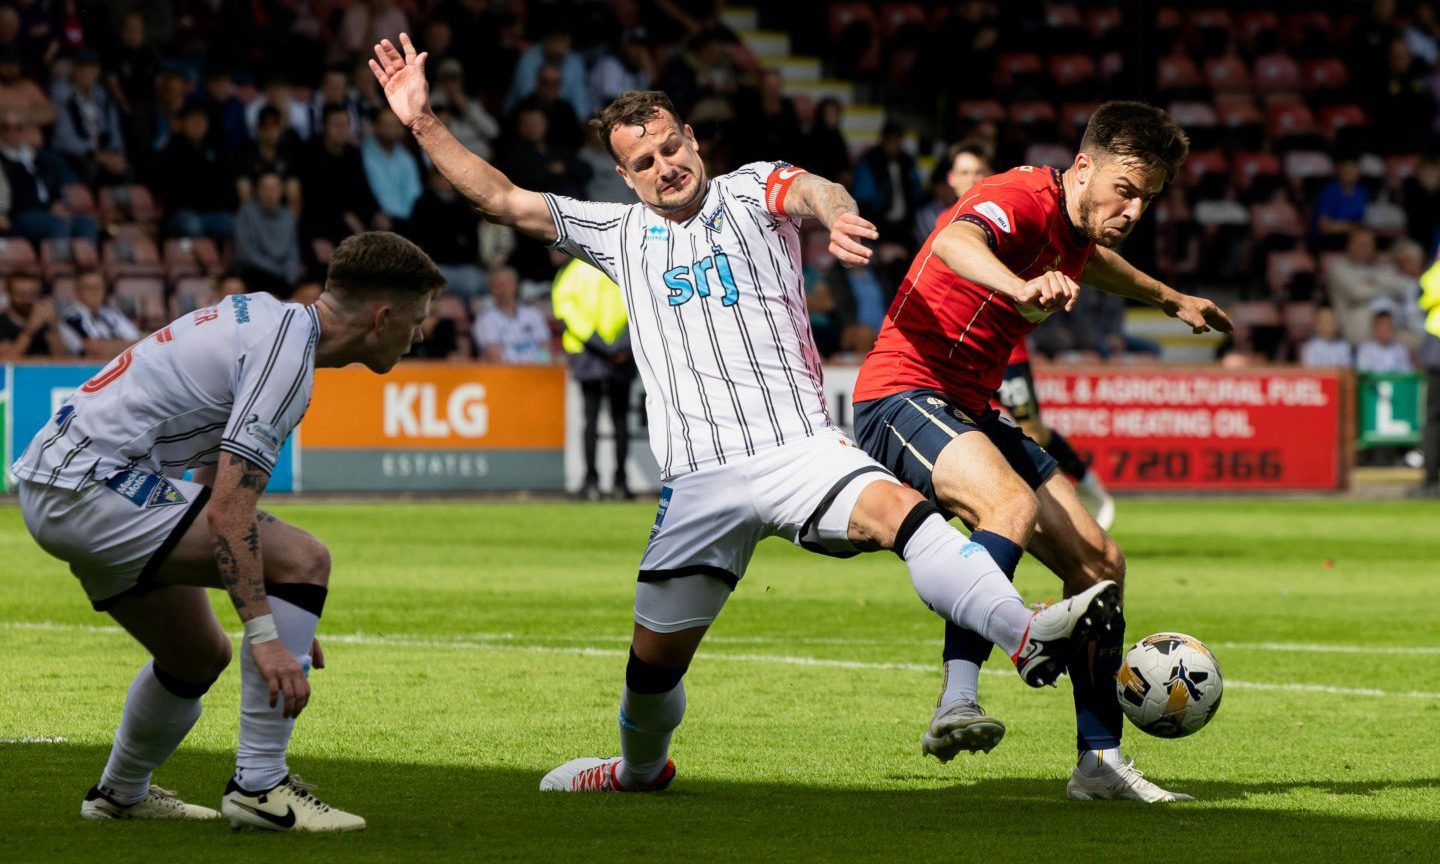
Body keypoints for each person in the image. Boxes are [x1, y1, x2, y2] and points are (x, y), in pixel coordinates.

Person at [373, 34, 1121, 795]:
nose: (666, 167)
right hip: (699, 483)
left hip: (799, 450)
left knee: (905, 513)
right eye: (645, 163)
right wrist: (423, 121)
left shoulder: (750, 188)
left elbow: (814, 191)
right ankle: (637, 771)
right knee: (651, 668)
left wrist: (839, 215)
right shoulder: (617, 234)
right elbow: (498, 198)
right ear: (626, 179)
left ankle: (1025, 634)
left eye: (672, 147)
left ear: (693, 139)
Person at [851, 101, 1232, 802]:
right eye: (1126, 189)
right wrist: (1019, 284)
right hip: (902, 391)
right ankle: (956, 700)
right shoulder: (1018, 195)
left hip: (971, 403)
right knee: (1008, 505)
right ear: (1083, 166)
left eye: (1147, 198)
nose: (1135, 209)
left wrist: (1169, 297)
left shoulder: (1076, 229)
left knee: (1099, 563)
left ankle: (1098, 764)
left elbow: (1099, 264)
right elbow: (955, 243)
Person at [12, 231, 446, 831]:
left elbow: (211, 473)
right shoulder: (286, 355)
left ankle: (118, 795)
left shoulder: (272, 322)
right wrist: (271, 633)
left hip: (64, 481)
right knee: (305, 559)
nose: (418, 334)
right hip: (92, 486)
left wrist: (284, 611)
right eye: (417, 319)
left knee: (196, 655)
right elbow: (228, 513)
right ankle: (260, 787)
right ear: (382, 317)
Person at [941, 144, 1117, 528]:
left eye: (977, 172)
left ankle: (1085, 482)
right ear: (952, 180)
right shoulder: (948, 224)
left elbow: (1084, 258)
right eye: (964, 173)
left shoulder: (1010, 214)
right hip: (957, 353)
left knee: (1032, 429)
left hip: (1007, 354)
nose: (971, 180)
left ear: (989, 176)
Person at [552, 257, 636, 500]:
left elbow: (565, 311)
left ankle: (591, 482)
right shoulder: (622, 262)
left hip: (589, 351)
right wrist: (621, 344)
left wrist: (597, 344)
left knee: (591, 419)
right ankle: (621, 482)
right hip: (622, 349)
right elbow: (642, 303)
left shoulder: (573, 271)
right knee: (620, 419)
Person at [471, 265, 551, 363]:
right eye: (498, 285)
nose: (503, 289)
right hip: (506, 374)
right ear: (491, 289)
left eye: (507, 284)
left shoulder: (534, 314)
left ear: (516, 286)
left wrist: (543, 366)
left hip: (538, 372)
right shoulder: (485, 319)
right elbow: (494, 356)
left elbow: (544, 347)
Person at [58, 268, 141, 360]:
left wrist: (107, 346)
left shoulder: (114, 314)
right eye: (88, 288)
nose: (94, 292)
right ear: (78, 292)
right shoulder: (71, 317)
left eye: (98, 287)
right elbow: (94, 348)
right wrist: (121, 345)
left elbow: (137, 344)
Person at [1414, 255, 1440, 497]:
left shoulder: (1435, 274)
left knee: (1433, 419)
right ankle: (1431, 479)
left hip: (1438, 349)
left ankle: (1431, 481)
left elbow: (1426, 297)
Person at [0, 270, 65, 358]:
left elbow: (63, 359)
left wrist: (53, 328)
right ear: (9, 294)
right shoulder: (2, 323)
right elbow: (7, 361)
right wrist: (30, 328)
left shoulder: (45, 322)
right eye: (21, 294)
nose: (26, 299)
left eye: (32, 294)